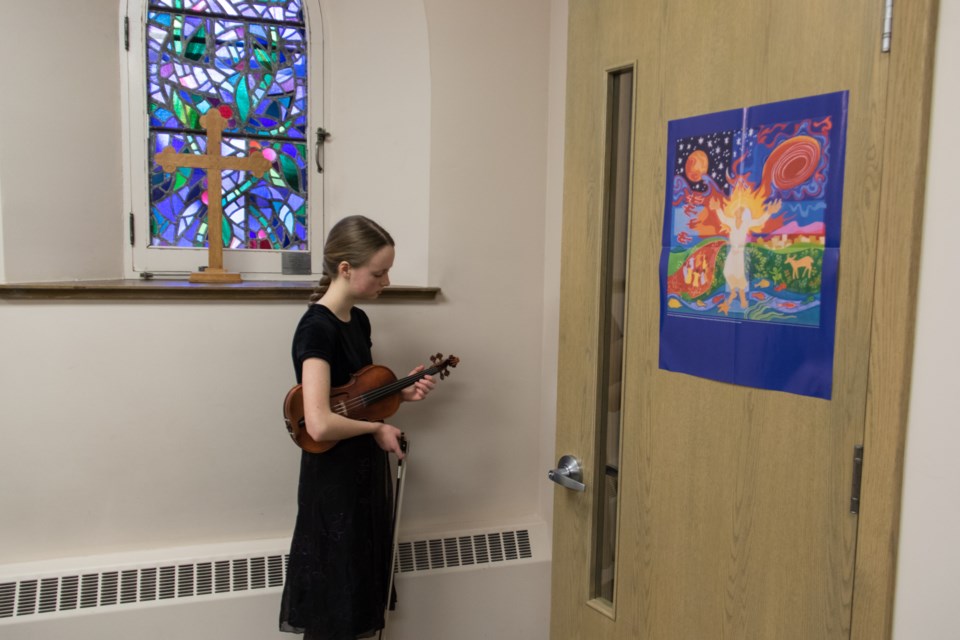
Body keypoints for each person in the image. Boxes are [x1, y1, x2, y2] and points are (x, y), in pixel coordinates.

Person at [279, 215, 435, 639]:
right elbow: (320, 422)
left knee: (355, 593)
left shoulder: (359, 321)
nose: (386, 281)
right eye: (379, 272)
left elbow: (351, 400)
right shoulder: (316, 327)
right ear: (345, 268)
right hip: (333, 479)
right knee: (334, 599)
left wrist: (399, 395)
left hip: (361, 474)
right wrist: (377, 431)